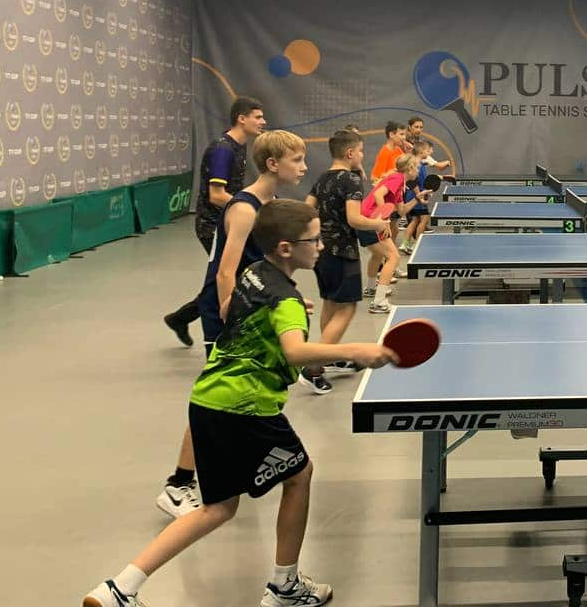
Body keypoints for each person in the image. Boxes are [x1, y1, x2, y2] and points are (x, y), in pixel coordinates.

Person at [84, 200, 398, 607]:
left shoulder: (254, 274)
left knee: (217, 508)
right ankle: (285, 586)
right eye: (313, 240)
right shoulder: (284, 298)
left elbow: (231, 307)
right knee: (299, 475)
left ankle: (119, 588)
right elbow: (294, 354)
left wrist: (279, 313)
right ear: (286, 248)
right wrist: (359, 350)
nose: (320, 246)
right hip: (246, 407)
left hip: (208, 398)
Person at [157, 130, 308, 520]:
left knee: (227, 392)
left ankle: (209, 473)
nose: (304, 167)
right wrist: (228, 309)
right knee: (214, 392)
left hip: (249, 304)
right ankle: (178, 484)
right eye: (297, 160)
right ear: (273, 164)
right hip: (223, 309)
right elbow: (226, 270)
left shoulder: (272, 204)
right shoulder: (245, 208)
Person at [163, 96, 266, 346]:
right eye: (258, 117)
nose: (263, 122)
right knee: (226, 277)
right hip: (212, 225)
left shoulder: (239, 147)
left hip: (228, 222)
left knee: (231, 277)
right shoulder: (223, 149)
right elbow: (217, 195)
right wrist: (248, 209)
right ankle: (215, 333)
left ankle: (181, 318)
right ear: (242, 119)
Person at [298, 128, 390, 394]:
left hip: (321, 250)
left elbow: (307, 208)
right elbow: (354, 219)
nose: (362, 155)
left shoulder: (323, 178)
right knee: (347, 308)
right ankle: (313, 367)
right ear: (350, 153)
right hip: (342, 252)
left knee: (331, 302)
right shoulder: (350, 180)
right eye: (360, 151)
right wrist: (378, 223)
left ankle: (328, 357)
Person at [362, 153, 429, 313]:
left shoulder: (400, 184)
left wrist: (417, 199)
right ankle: (379, 302)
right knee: (394, 257)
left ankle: (371, 289)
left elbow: (402, 210)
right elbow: (378, 195)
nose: (419, 170)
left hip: (365, 217)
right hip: (372, 219)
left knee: (378, 255)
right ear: (410, 168)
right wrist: (383, 218)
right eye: (417, 167)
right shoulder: (397, 178)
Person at [401, 138, 437, 254]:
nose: (430, 153)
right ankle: (416, 245)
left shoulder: (418, 163)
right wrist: (420, 197)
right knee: (424, 219)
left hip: (410, 197)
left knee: (415, 220)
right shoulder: (418, 166)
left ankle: (405, 243)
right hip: (416, 198)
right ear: (422, 152)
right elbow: (414, 183)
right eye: (428, 151)